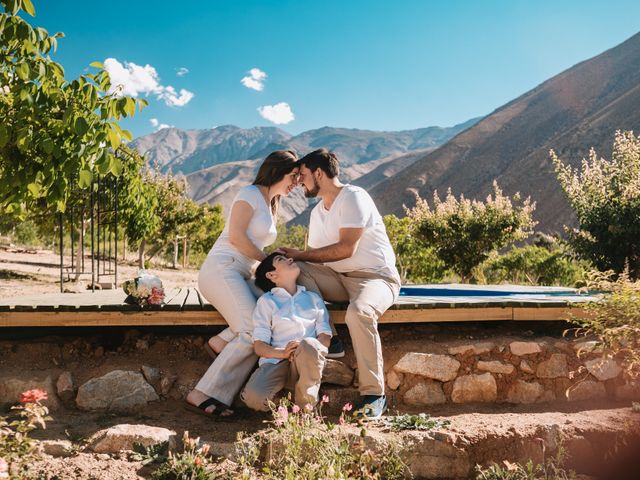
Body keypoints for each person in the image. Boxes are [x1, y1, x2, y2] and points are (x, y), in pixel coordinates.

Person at [279, 148, 401, 419]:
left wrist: (300, 254)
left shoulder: (354, 197)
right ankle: (331, 338)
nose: (299, 182)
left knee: (359, 313)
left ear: (319, 173)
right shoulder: (316, 214)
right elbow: (313, 262)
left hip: (375, 278)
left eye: (303, 175)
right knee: (296, 269)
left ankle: (373, 395)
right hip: (337, 279)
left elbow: (346, 248)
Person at [185, 150, 299, 416]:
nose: (296, 182)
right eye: (293, 175)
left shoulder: (271, 202)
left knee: (268, 312)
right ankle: (203, 392)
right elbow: (236, 237)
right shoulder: (249, 194)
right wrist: (269, 261)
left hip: (242, 273)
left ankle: (221, 343)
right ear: (278, 170)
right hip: (222, 269)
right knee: (251, 329)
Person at [240, 252, 332, 411]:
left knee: (310, 344)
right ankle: (284, 401)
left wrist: (313, 348)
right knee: (253, 398)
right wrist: (283, 353)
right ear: (272, 275)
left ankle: (306, 408)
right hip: (277, 360)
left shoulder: (313, 298)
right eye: (281, 259)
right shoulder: (267, 302)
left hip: (307, 359)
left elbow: (325, 336)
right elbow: (259, 346)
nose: (291, 259)